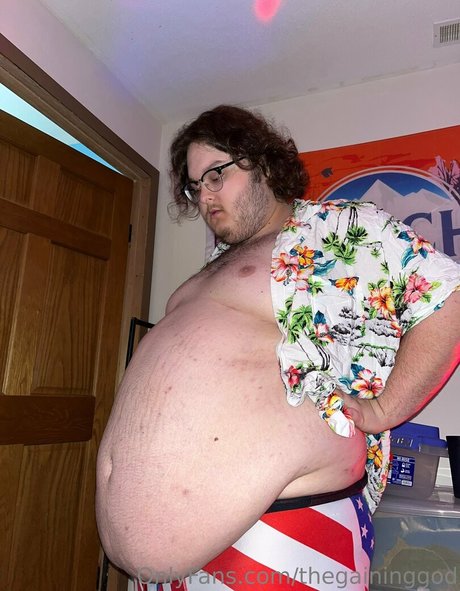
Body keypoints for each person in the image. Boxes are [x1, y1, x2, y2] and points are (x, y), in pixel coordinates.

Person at [96, 105, 460, 591]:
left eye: (216, 175)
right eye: (194, 186)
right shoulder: (212, 265)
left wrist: (384, 409)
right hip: (177, 558)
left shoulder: (340, 228)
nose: (204, 197)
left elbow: (448, 298)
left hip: (284, 527)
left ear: (264, 164)